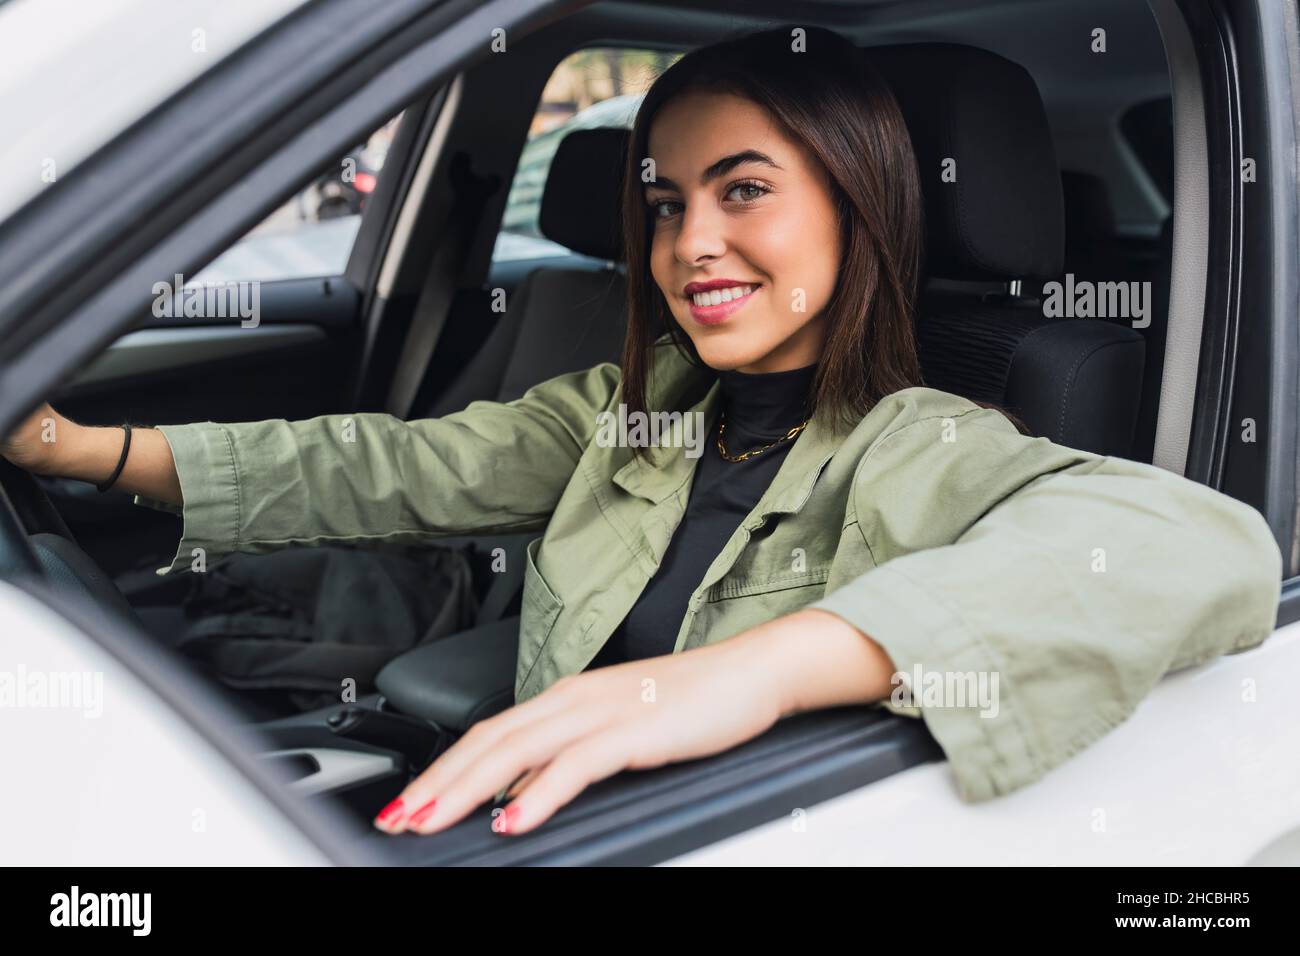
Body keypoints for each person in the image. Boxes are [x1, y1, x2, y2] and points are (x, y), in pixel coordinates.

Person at [1, 27, 1281, 838]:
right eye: (664, 202)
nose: (689, 242)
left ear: (861, 207)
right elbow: (387, 465)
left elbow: (1201, 543)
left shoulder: (926, 444)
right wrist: (79, 448)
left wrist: (754, 668)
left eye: (745, 192)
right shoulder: (641, 408)